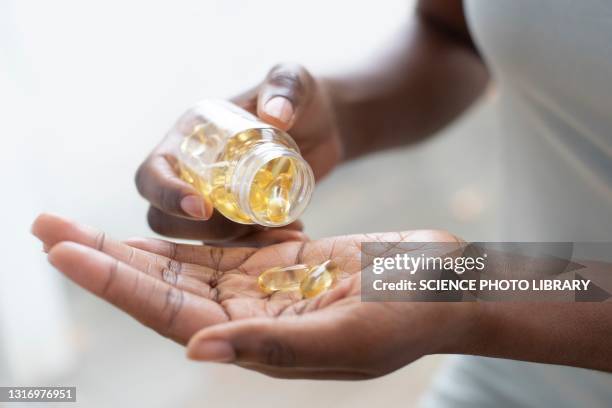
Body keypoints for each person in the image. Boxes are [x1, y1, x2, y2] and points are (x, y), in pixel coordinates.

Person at [32, 0, 612, 405]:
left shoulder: (480, 295)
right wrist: (341, 110)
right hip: (510, 381)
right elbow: (456, 35)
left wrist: (481, 290)